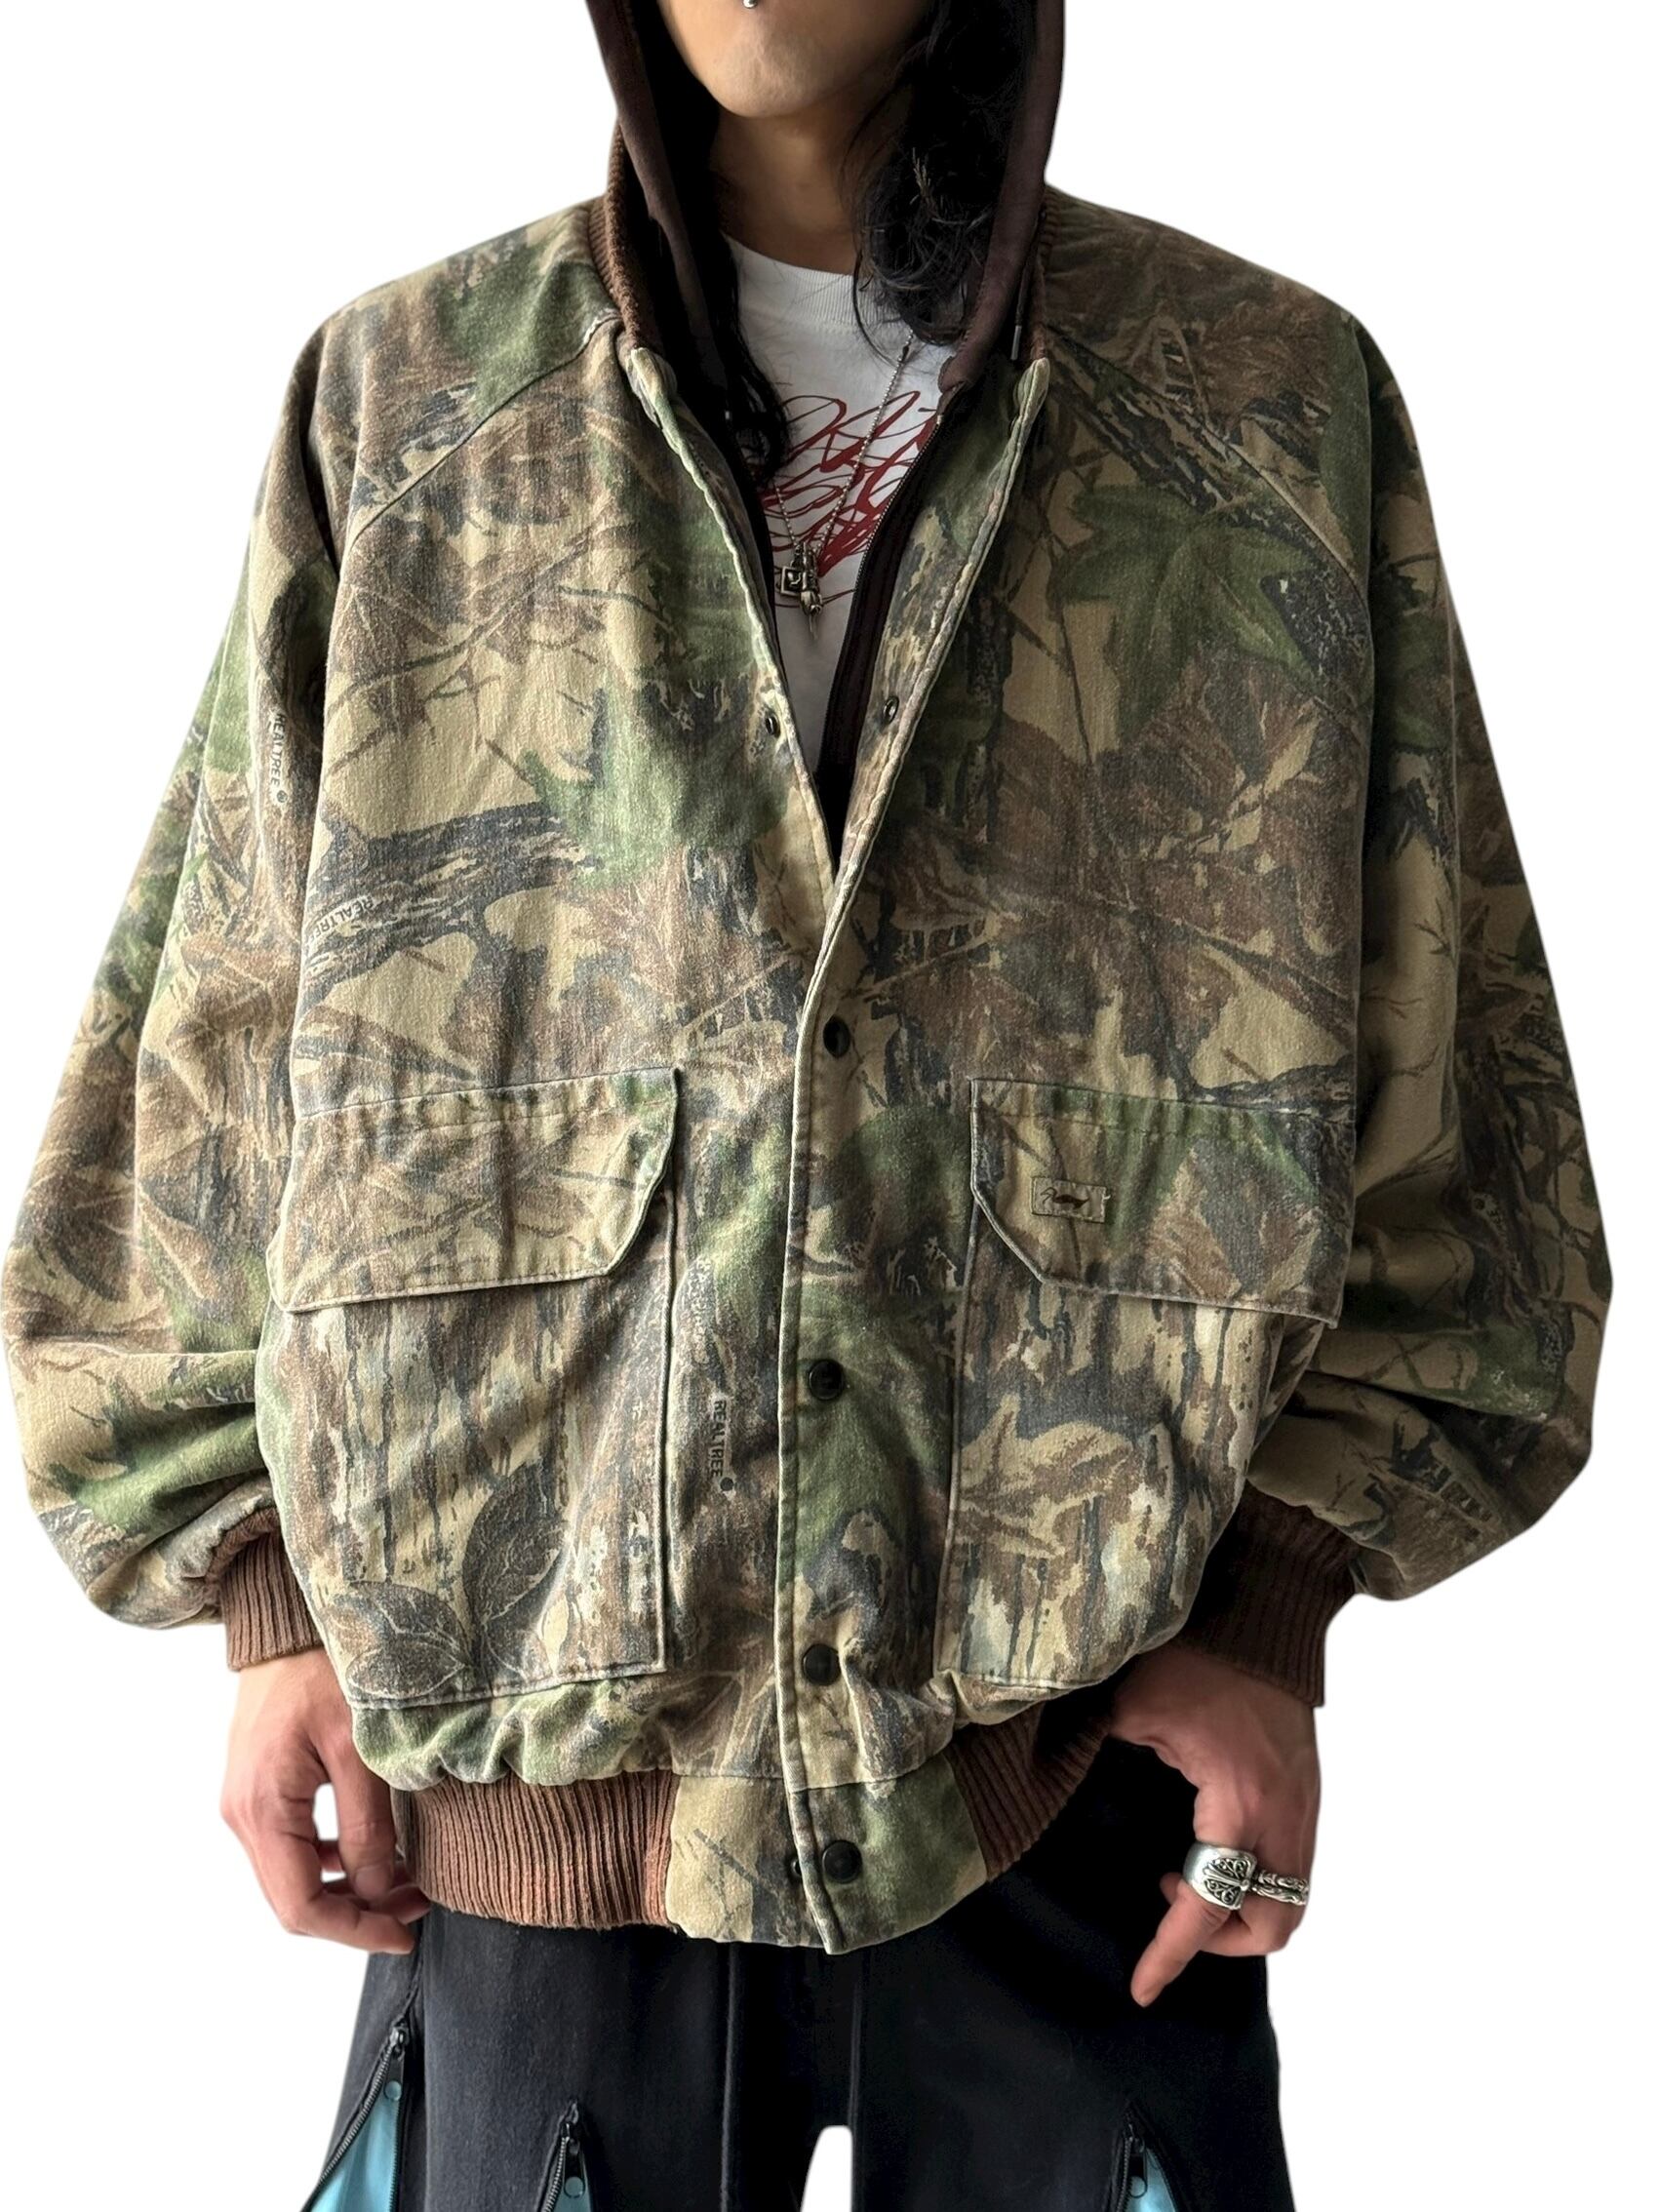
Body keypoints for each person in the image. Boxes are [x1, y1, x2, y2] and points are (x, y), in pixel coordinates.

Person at [2, 1, 1610, 2205]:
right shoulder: (410, 401)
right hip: (527, 1754)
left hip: (1076, 1766)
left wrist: (1272, 1613)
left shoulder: (1257, 402)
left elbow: (1452, 1077)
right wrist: (260, 1589)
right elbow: (210, 1048)